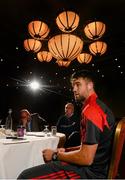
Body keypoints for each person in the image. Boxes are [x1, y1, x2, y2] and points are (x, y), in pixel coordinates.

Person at [18, 70, 115, 179]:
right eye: (73, 85)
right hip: (94, 169)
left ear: (90, 85)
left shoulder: (92, 110)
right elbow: (88, 148)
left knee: (24, 176)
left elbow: (86, 158)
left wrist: (56, 155)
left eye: (78, 84)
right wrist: (66, 151)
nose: (74, 89)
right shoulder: (97, 106)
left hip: (90, 174)